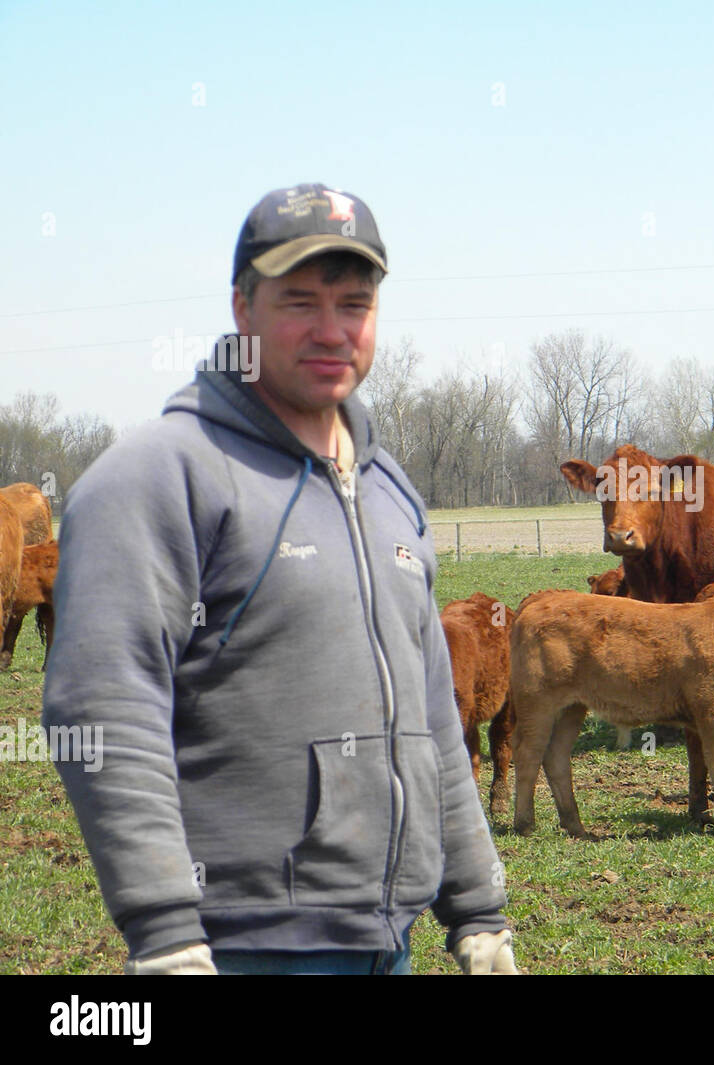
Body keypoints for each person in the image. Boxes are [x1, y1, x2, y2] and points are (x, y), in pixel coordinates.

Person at [42, 184, 517, 975]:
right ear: (242, 308)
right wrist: (165, 932)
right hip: (240, 947)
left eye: (354, 304)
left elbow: (434, 719)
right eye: (300, 301)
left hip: (384, 943)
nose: (332, 329)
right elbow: (102, 709)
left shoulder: (390, 491)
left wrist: (475, 905)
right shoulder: (160, 477)